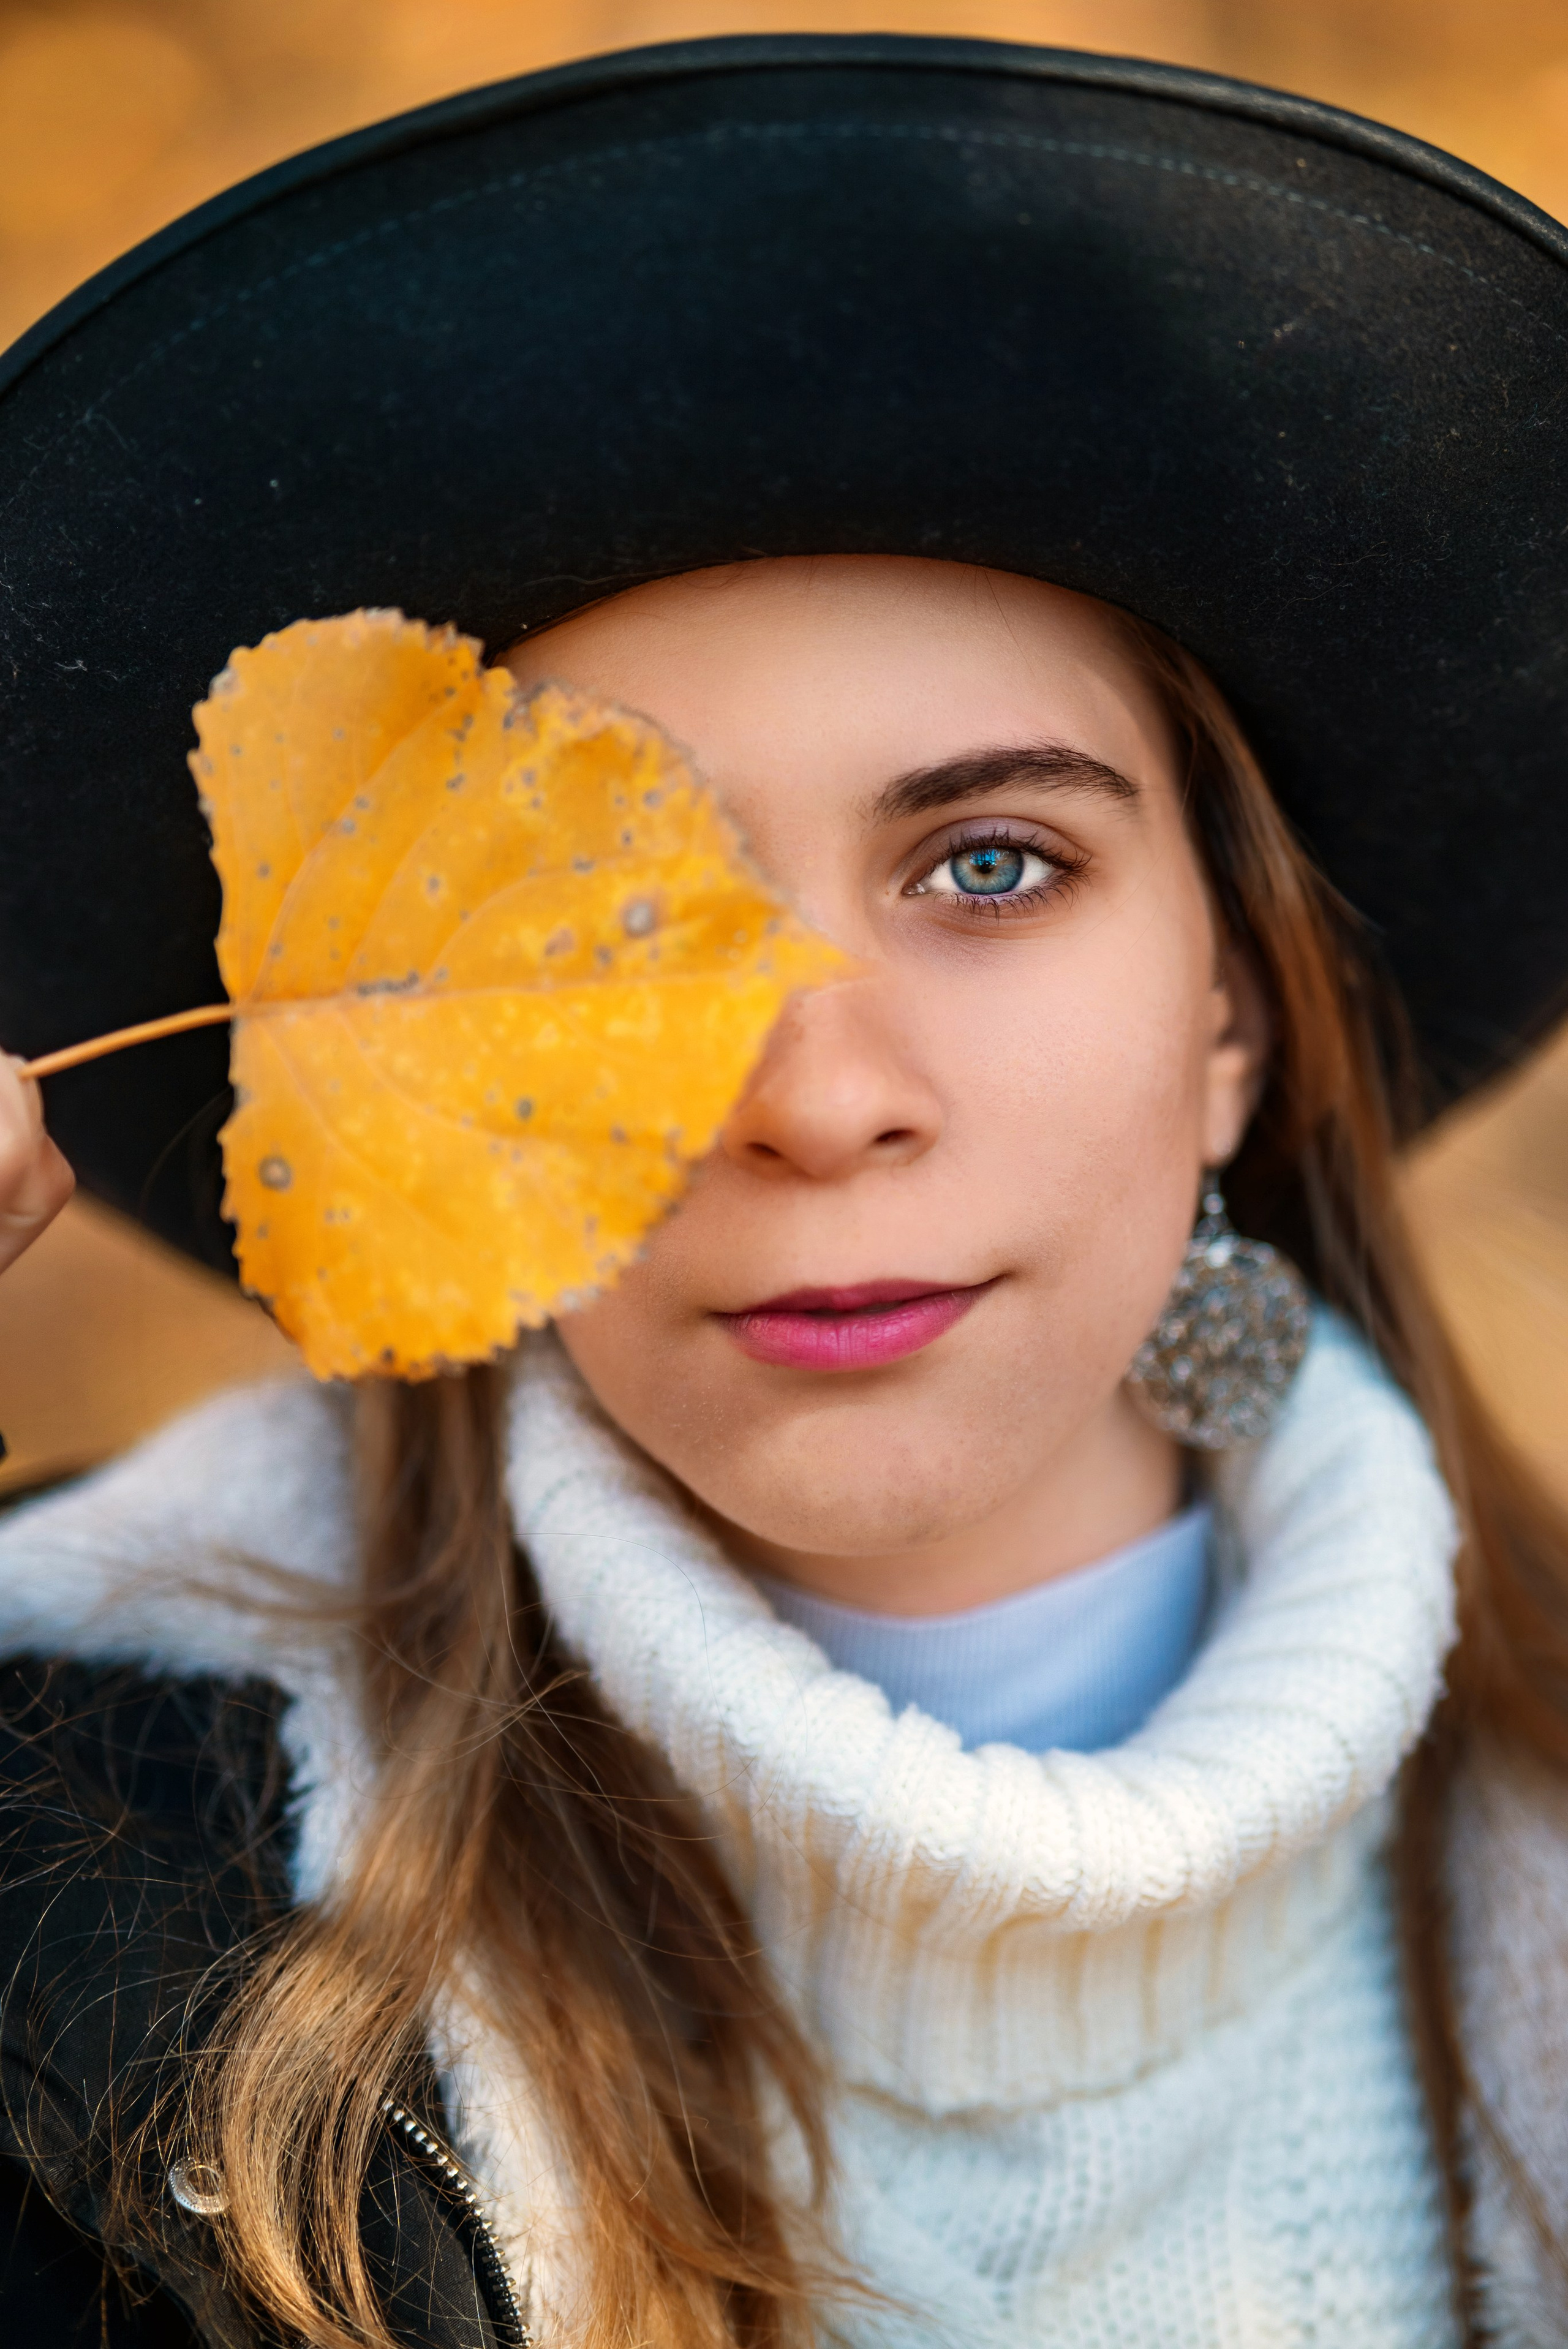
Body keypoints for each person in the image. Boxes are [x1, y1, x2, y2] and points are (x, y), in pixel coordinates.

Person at [0, 34, 1566, 2349]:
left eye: (992, 863)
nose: (817, 1099)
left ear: (1233, 1010)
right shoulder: (70, 1897)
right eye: (611, 931)